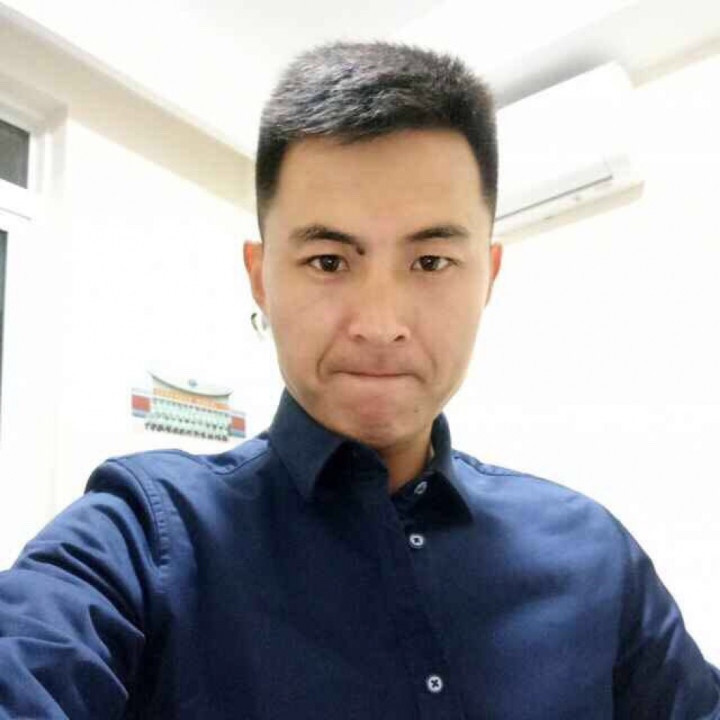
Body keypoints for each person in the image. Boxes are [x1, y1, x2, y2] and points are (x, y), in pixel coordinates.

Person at [1, 40, 718, 720]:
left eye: (431, 262)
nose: (380, 324)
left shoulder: (593, 555)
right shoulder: (139, 537)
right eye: (328, 261)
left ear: (488, 277)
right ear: (261, 277)